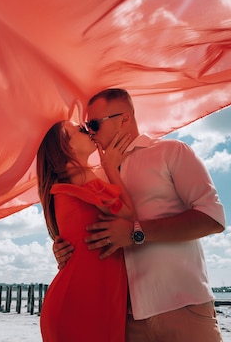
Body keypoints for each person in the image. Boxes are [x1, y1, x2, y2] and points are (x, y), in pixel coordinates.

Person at [53, 88, 226, 342]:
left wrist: (137, 232)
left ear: (123, 119)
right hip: (123, 319)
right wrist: (64, 249)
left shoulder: (171, 152)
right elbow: (90, 234)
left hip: (183, 307)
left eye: (94, 124)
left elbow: (212, 219)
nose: (90, 132)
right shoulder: (96, 178)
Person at [37, 120, 135, 342]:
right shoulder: (79, 178)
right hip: (83, 306)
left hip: (86, 302)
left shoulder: (72, 183)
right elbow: (129, 218)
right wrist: (111, 168)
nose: (90, 130)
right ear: (65, 147)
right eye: (81, 130)